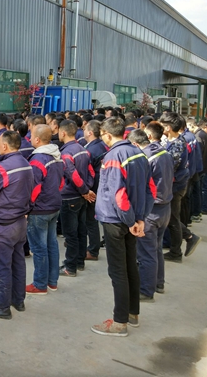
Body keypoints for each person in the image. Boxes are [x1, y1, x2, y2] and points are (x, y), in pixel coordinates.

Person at [91, 118, 155, 337]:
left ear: (108, 135)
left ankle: (119, 322)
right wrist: (140, 219)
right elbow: (150, 189)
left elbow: (118, 194)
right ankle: (132, 313)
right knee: (130, 266)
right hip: (131, 219)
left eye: (102, 134)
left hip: (116, 220)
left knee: (118, 270)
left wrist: (130, 221)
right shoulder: (139, 153)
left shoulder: (113, 156)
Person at [0, 131, 33, 318]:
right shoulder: (26, 163)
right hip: (20, 221)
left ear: (4, 146)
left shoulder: (3, 168)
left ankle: (2, 306)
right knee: (18, 263)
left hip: (4, 224)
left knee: (1, 266)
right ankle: (18, 300)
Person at [128, 127, 173, 300]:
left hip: (151, 210)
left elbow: (140, 186)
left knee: (146, 252)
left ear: (135, 144)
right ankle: (158, 282)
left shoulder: (145, 158)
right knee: (156, 248)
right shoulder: (164, 152)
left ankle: (146, 290)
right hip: (165, 206)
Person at [25, 125, 64, 295]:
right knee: (51, 244)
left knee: (39, 248)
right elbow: (61, 182)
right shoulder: (56, 156)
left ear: (37, 139)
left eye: (32, 135)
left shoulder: (37, 160)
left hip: (40, 210)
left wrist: (27, 207)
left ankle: (40, 284)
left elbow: (33, 188)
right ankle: (52, 281)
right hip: (54, 205)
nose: (29, 138)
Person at [159, 113, 201, 262]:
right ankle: (187, 238)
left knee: (172, 218)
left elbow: (169, 166)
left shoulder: (178, 144)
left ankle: (178, 250)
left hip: (175, 185)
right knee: (171, 217)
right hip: (174, 183)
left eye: (162, 126)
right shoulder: (170, 140)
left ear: (168, 128)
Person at [58, 120, 95, 277]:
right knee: (81, 230)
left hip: (69, 197)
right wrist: (87, 190)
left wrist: (84, 190)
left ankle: (70, 266)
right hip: (81, 196)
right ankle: (80, 261)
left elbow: (72, 175)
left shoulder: (66, 153)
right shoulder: (83, 149)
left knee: (71, 234)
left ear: (63, 132)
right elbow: (91, 172)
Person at [83, 120, 109, 261]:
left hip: (93, 189)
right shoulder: (103, 145)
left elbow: (89, 172)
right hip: (102, 187)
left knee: (91, 220)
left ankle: (93, 250)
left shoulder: (91, 150)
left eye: (85, 129)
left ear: (90, 132)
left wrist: (86, 190)